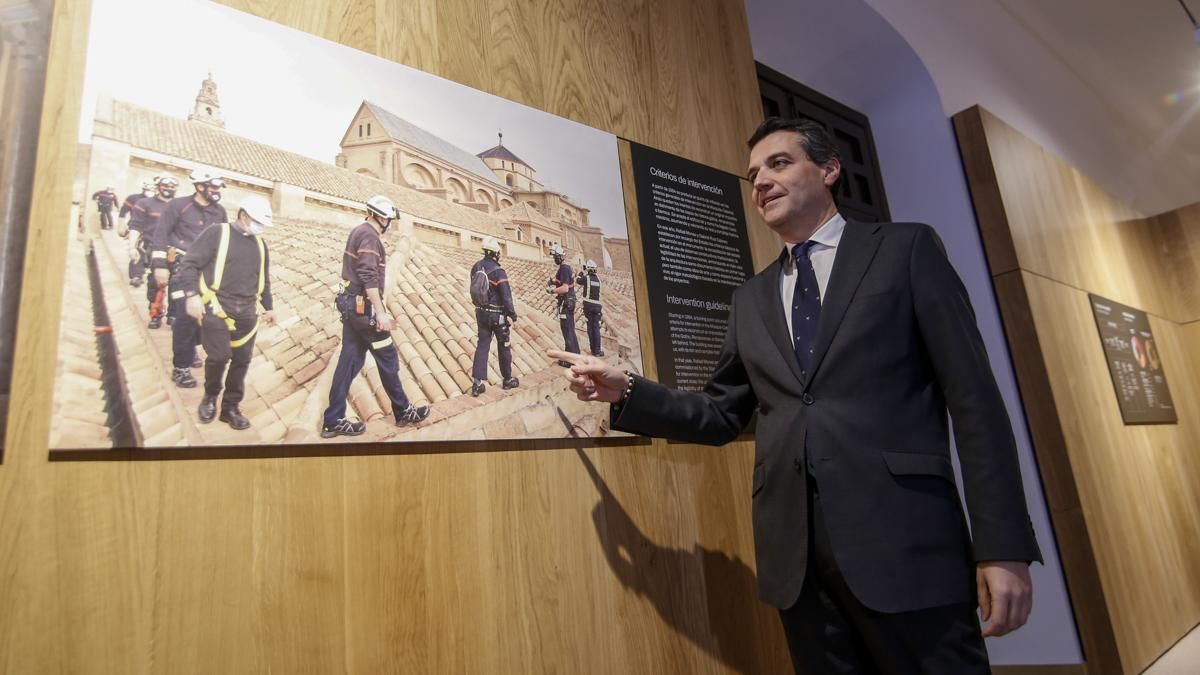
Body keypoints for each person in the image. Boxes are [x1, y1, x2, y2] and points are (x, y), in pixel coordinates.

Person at [555, 117, 1041, 674]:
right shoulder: (751, 298)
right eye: (753, 173)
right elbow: (720, 414)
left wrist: (1001, 546)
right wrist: (630, 389)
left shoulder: (905, 250)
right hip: (798, 566)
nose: (760, 180)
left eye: (779, 163)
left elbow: (975, 401)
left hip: (907, 549)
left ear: (829, 169)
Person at [321, 195, 430, 438]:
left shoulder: (358, 231)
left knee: (349, 360)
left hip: (351, 306)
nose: (389, 223)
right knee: (388, 356)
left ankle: (333, 419)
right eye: (389, 219)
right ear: (381, 217)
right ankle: (403, 411)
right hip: (363, 308)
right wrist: (380, 312)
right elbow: (369, 277)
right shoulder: (370, 237)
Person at [177, 196, 274, 430]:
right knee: (219, 357)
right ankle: (210, 396)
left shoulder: (260, 245)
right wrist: (191, 296)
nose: (259, 228)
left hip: (247, 311)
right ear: (243, 216)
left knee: (242, 361)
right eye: (257, 222)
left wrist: (269, 306)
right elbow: (189, 264)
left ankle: (230, 408)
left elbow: (264, 278)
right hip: (218, 306)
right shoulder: (217, 234)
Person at [149, 168, 228, 388]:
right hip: (181, 270)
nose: (216, 191)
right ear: (200, 186)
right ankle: (180, 368)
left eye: (218, 188)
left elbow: (223, 242)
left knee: (204, 319)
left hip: (207, 275)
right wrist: (160, 266)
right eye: (212, 187)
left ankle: (191, 348)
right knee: (185, 317)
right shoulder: (177, 206)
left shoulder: (219, 212)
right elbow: (160, 234)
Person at [469, 236, 519, 396]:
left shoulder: (475, 267)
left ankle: (477, 384)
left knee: (482, 345)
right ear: (496, 253)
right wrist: (513, 315)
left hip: (481, 313)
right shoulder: (499, 271)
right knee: (504, 346)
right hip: (497, 316)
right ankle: (507, 379)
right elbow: (506, 296)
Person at [131, 176, 179, 328]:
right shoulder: (145, 203)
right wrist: (132, 246)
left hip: (175, 250)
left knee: (177, 284)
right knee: (155, 283)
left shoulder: (179, 206)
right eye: (165, 186)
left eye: (172, 187)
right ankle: (155, 314)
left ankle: (173, 314)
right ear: (158, 186)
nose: (168, 189)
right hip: (153, 247)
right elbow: (135, 226)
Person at [546, 243, 580, 366]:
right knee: (570, 329)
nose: (554, 259)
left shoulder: (564, 268)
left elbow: (565, 288)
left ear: (560, 257)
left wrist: (552, 290)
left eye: (555, 257)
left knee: (567, 330)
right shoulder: (564, 268)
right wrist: (554, 282)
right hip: (569, 302)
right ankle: (575, 357)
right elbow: (564, 282)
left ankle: (570, 360)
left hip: (566, 302)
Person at [118, 180, 155, 286]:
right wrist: (121, 224)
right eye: (148, 189)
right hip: (137, 228)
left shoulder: (159, 202)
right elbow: (123, 211)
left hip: (153, 231)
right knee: (138, 250)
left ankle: (146, 270)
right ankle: (136, 275)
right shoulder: (133, 198)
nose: (150, 192)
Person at [576, 258, 604, 357]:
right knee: (596, 328)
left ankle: (593, 349)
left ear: (587, 269)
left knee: (590, 327)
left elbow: (578, 280)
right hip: (597, 306)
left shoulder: (586, 278)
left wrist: (580, 273)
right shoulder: (599, 280)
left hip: (588, 306)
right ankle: (597, 350)